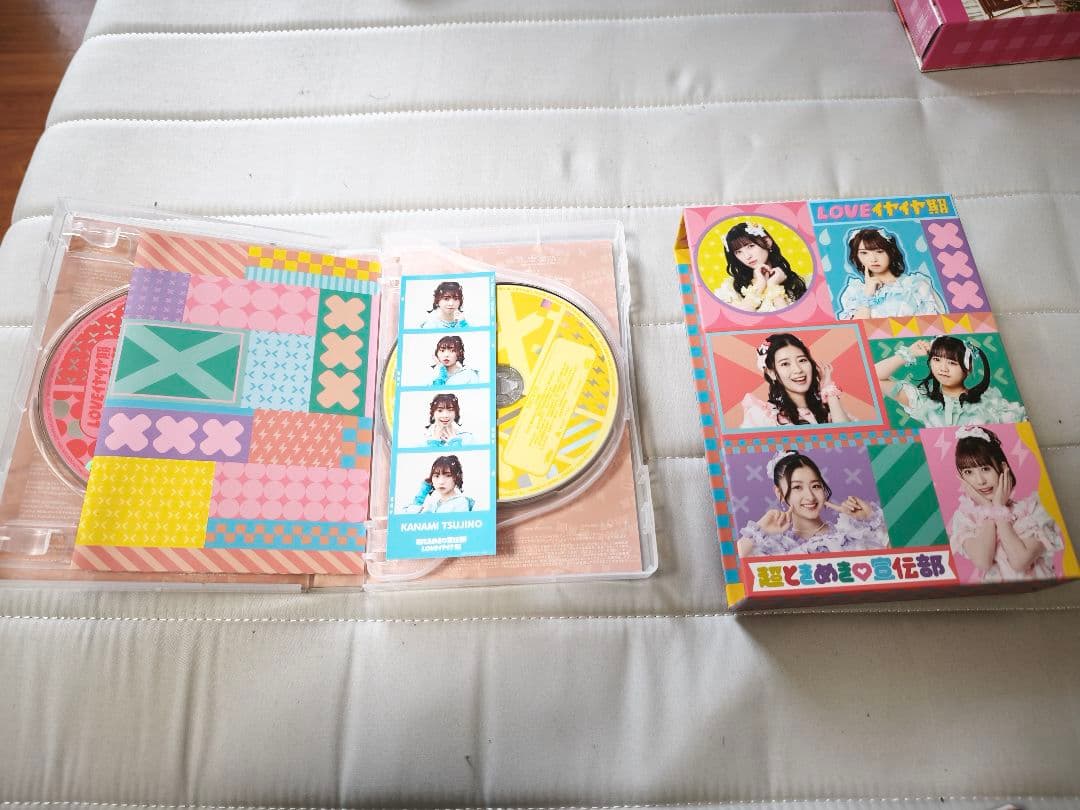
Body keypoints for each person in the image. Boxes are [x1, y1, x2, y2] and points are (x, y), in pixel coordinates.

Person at [948, 425, 1062, 582]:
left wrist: (999, 510)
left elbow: (1020, 562)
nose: (980, 481)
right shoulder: (965, 519)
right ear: (962, 478)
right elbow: (983, 562)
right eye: (969, 472)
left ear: (1003, 468)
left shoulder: (1033, 511)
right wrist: (990, 509)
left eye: (985, 469)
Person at [736, 449, 888, 557]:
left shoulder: (850, 533)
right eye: (797, 487)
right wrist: (761, 529)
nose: (810, 496)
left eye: (815, 486)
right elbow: (739, 562)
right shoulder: (778, 546)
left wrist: (869, 518)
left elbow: (892, 564)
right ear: (779, 493)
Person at [874, 335, 1026, 427]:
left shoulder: (992, 403)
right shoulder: (923, 401)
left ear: (968, 368)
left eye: (952, 363)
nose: (943, 368)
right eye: (937, 360)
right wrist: (909, 353)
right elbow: (873, 377)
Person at [740, 333, 852, 428]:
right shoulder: (762, 416)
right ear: (771, 373)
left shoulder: (830, 409)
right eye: (785, 364)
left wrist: (828, 389)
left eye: (802, 360)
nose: (798, 370)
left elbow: (849, 437)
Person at [837, 227, 945, 320]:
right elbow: (855, 332)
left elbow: (937, 324)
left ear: (891, 252)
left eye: (879, 251)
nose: (873, 259)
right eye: (864, 253)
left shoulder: (916, 285)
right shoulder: (854, 291)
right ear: (857, 256)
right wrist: (868, 294)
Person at [712, 221, 807, 312]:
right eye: (738, 252)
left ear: (767, 242)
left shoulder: (801, 283)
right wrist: (760, 285)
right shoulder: (730, 289)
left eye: (750, 246)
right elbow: (739, 319)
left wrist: (773, 285)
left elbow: (788, 319)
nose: (747, 256)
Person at [403, 455, 475, 514]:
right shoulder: (432, 504)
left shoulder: (461, 503)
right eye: (436, 476)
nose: (441, 482)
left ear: (457, 477)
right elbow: (409, 521)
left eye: (448, 476)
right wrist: (421, 496)